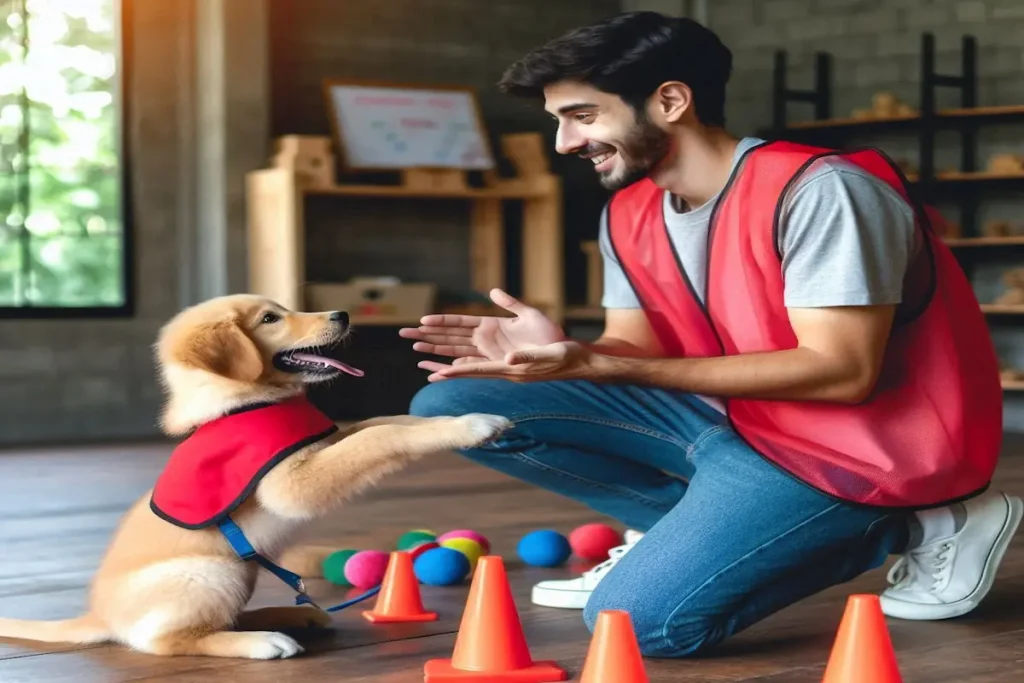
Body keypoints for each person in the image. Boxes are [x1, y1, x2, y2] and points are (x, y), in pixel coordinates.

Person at [399, 11, 1022, 657]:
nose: (564, 142)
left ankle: (918, 523)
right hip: (732, 422)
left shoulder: (822, 190)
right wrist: (562, 353)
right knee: (453, 405)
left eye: (582, 115)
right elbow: (635, 349)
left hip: (851, 455)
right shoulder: (629, 210)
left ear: (671, 101)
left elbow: (842, 371)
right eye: (560, 120)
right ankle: (689, 531)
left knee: (637, 626)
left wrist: (601, 366)